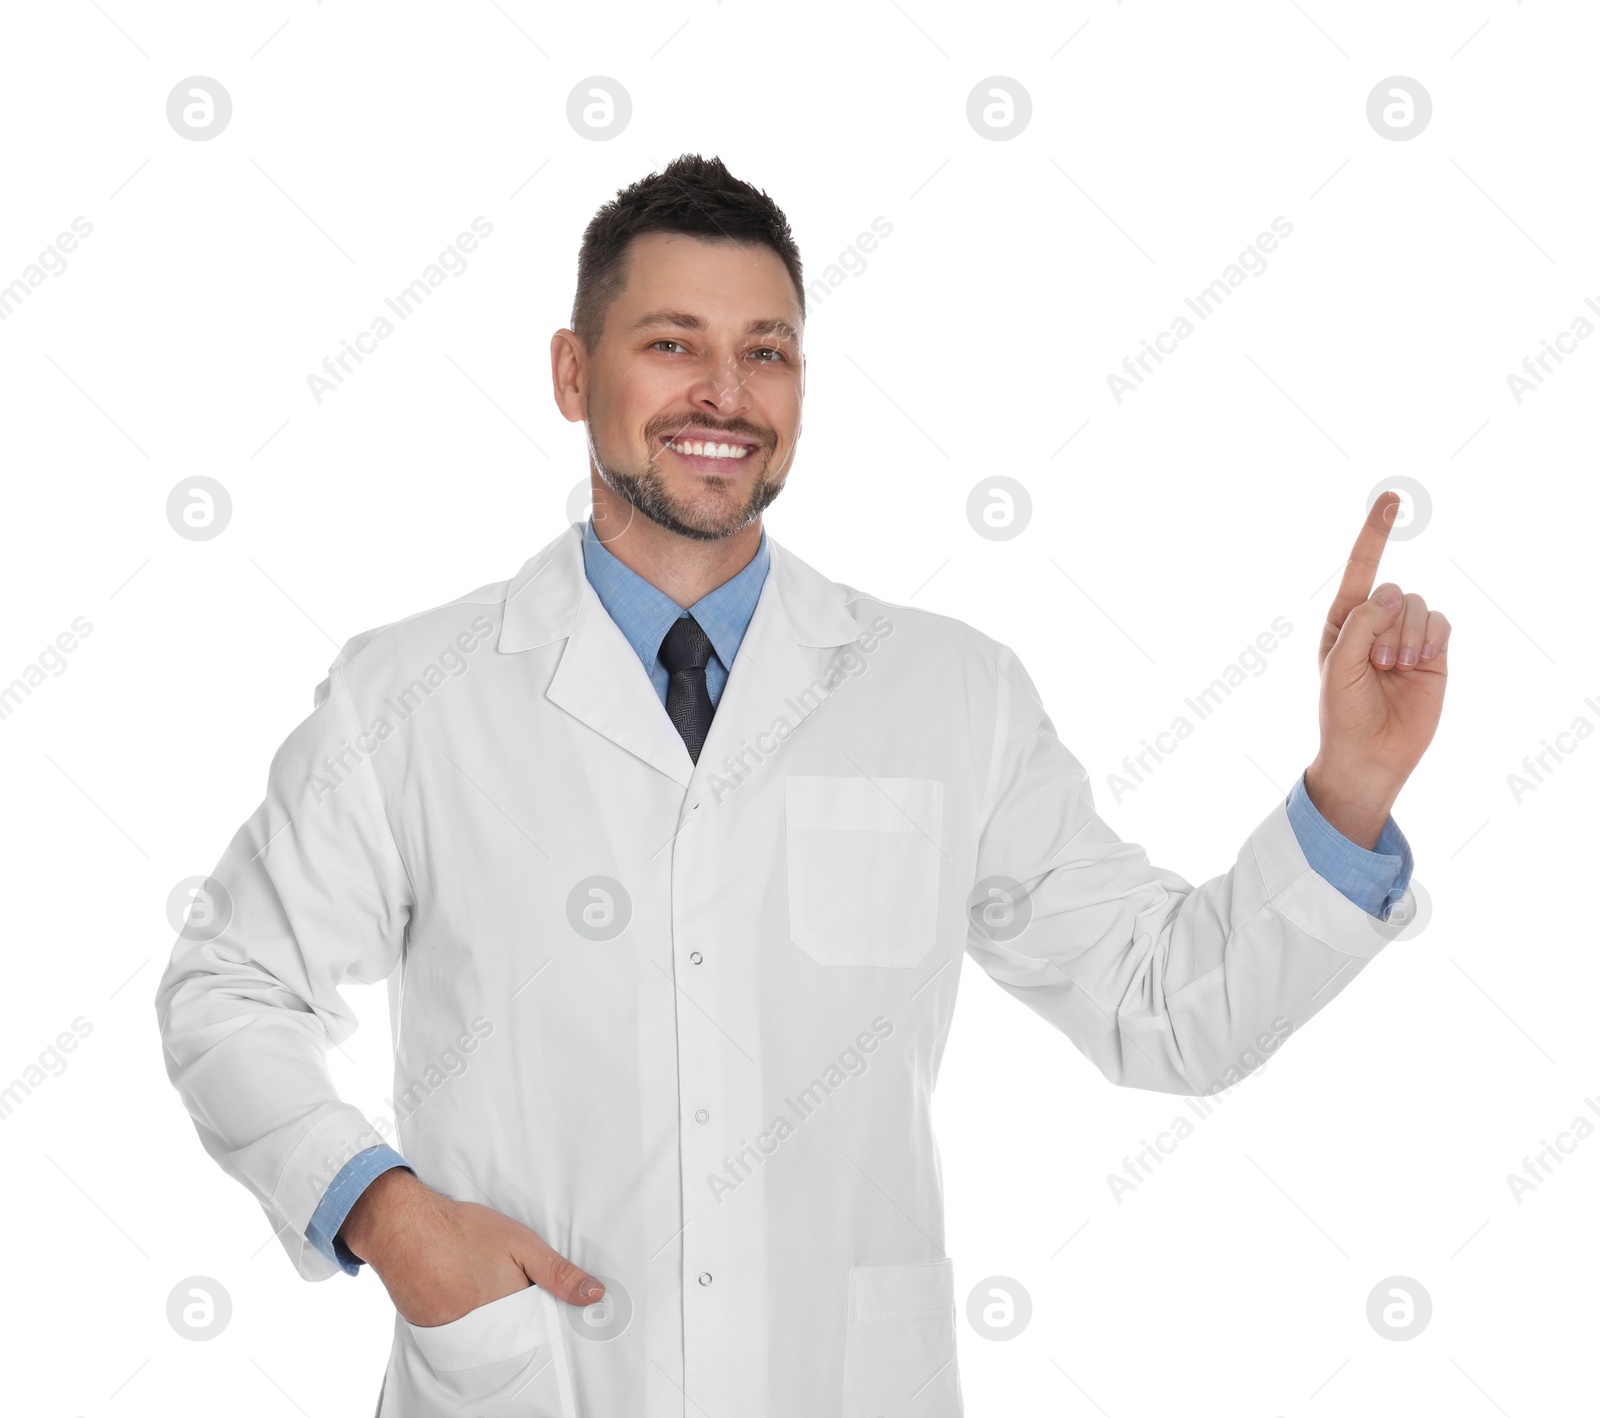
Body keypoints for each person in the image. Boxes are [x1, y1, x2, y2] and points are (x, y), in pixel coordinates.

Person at [155, 153, 1450, 1417]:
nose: (725, 391)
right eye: (672, 343)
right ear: (571, 371)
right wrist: (384, 1210)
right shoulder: (413, 694)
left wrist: (1349, 787)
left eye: (765, 352)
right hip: (527, 1377)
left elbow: (1169, 1011)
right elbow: (229, 988)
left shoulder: (949, 692)